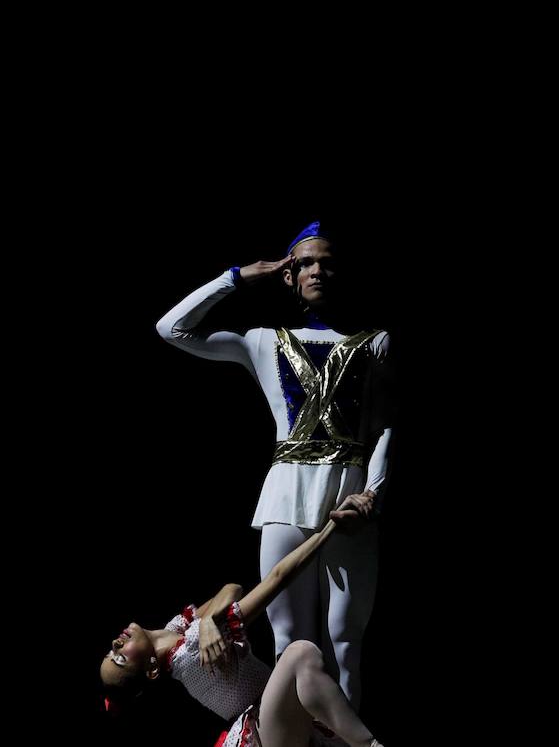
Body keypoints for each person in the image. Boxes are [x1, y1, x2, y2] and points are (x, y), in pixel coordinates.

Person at [155, 221, 394, 710]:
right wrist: (240, 277)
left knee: (344, 640)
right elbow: (172, 328)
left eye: (327, 261)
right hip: (286, 492)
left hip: (349, 491)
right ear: (289, 274)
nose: (317, 270)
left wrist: (371, 494)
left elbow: (386, 425)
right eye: (305, 262)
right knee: (291, 640)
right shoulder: (264, 340)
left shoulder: (375, 342)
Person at [99, 490, 388, 747]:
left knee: (303, 663)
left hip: (275, 720)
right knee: (300, 654)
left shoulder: (182, 628)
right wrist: (331, 527)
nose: (116, 643)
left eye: (111, 651)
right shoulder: (189, 651)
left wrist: (211, 620)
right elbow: (277, 577)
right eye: (120, 657)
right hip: (264, 732)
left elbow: (232, 589)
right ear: (151, 670)